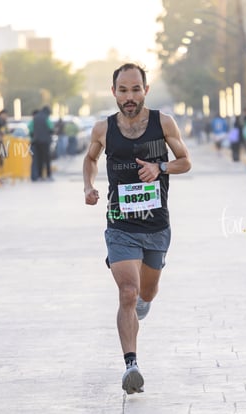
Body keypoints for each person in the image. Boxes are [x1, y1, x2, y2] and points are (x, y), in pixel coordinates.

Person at [83, 63, 191, 394]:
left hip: (156, 225)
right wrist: (88, 186)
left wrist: (160, 167)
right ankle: (131, 365)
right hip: (120, 224)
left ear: (145, 90)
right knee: (127, 292)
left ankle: (144, 302)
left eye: (135, 89)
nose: (129, 97)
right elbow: (90, 159)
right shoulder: (103, 128)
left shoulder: (163, 123)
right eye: (123, 90)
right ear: (113, 91)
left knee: (146, 293)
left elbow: (184, 161)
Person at [28, 106, 54, 181]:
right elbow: (51, 128)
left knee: (39, 159)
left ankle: (40, 176)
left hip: (36, 141)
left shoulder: (35, 118)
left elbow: (30, 128)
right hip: (45, 141)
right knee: (47, 159)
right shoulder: (46, 118)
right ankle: (48, 175)